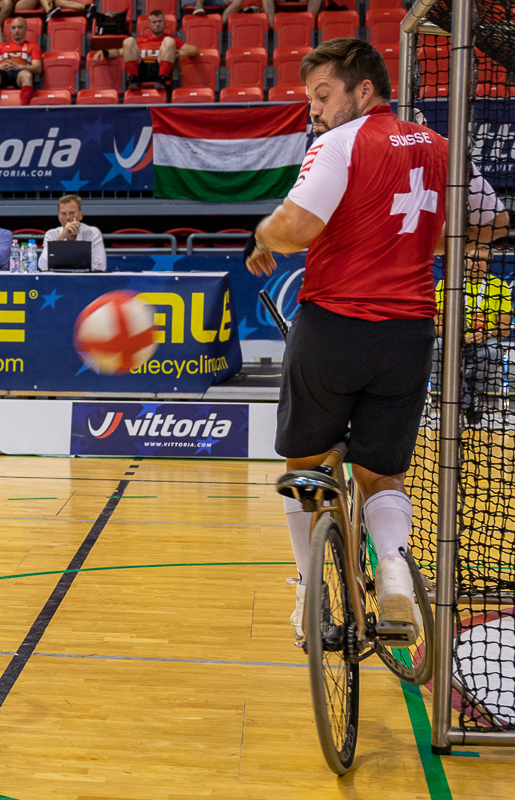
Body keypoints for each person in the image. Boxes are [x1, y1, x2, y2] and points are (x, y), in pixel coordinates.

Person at [243, 38, 508, 645]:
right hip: (408, 336)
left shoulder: (339, 143)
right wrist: (435, 245)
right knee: (381, 474)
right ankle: (392, 575)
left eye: (323, 95)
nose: (314, 110)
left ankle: (312, 592)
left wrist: (264, 231)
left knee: (304, 462)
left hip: (335, 329)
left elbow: (296, 229)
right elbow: (491, 222)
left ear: (364, 91)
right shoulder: (442, 147)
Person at [430, 245, 512, 425]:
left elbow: (504, 329)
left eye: (482, 260)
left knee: (493, 351)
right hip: (453, 339)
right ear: (464, 259)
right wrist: (456, 335)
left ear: (489, 263)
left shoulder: (499, 287)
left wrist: (487, 332)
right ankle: (453, 397)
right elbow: (436, 325)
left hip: (484, 340)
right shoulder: (448, 283)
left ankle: (467, 397)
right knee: (437, 347)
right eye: (473, 259)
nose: (477, 264)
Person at [102, 9, 197, 91]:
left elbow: (195, 50)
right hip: (141, 69)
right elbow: (120, 52)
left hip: (159, 69)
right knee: (128, 40)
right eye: (154, 22)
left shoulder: (171, 38)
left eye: (160, 21)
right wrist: (103, 52)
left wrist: (183, 52)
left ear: (164, 23)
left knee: (169, 41)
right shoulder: (140, 39)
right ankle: (134, 80)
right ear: (149, 24)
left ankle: (161, 80)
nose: (157, 24)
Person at [0, 16, 41, 106]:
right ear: (10, 30)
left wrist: (19, 66)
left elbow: (37, 68)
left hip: (19, 73)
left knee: (27, 75)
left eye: (19, 27)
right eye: (13, 28)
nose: (16, 30)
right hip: (2, 72)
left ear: (26, 29)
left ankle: (25, 110)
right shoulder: (0, 46)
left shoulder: (33, 46)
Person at [38, 194, 106, 272]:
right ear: (58, 217)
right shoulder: (51, 234)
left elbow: (100, 266)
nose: (67, 218)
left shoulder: (92, 233)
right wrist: (61, 237)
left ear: (80, 215)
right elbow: (43, 265)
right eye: (63, 214)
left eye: (72, 213)